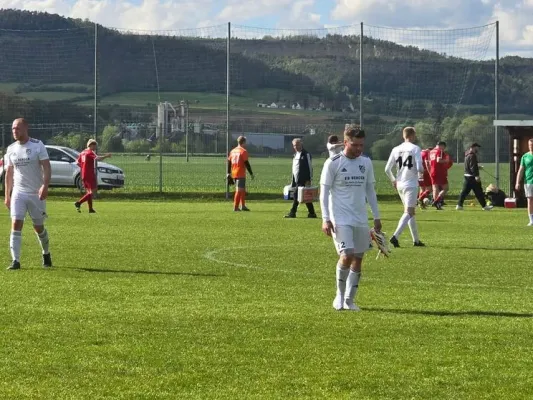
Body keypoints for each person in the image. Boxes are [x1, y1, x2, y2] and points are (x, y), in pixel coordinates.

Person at [320, 125, 382, 311]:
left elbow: (370, 191)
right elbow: (323, 193)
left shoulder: (366, 162)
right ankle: (339, 296)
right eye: (355, 145)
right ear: (345, 142)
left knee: (358, 258)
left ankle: (349, 300)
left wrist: (376, 216)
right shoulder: (333, 163)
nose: (358, 149)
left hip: (360, 219)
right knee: (346, 255)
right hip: (340, 219)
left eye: (361, 145)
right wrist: (325, 218)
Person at [4, 118, 52, 270]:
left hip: (35, 193)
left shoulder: (37, 145)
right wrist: (7, 195)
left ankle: (46, 253)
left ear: (26, 128)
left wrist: (45, 185)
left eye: (17, 128)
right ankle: (15, 261)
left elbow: (46, 167)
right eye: (12, 129)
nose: (14, 131)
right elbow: (9, 173)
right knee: (16, 223)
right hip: (19, 192)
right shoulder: (11, 149)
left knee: (38, 227)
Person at [385, 127, 425, 247]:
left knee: (410, 212)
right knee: (409, 211)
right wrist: (421, 174)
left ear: (404, 136)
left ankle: (416, 240)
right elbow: (419, 167)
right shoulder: (415, 148)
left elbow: (387, 169)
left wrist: (393, 180)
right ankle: (395, 236)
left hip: (400, 184)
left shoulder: (396, 149)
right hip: (411, 184)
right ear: (412, 136)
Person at [74, 139, 111, 213]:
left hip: (84, 174)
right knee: (93, 192)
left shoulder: (83, 152)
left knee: (89, 192)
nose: (95, 146)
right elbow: (98, 158)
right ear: (90, 145)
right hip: (89, 174)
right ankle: (79, 203)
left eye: (95, 145)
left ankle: (90, 209)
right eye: (94, 145)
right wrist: (106, 156)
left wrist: (83, 166)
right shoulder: (90, 152)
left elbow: (77, 162)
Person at [284, 138, 317, 218]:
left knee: (296, 195)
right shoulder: (295, 155)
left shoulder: (306, 154)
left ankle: (292, 213)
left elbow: (309, 167)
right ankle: (312, 213)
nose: (296, 147)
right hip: (296, 179)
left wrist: (309, 179)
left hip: (304, 179)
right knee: (305, 196)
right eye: (294, 145)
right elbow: (294, 168)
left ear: (301, 144)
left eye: (297, 145)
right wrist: (293, 180)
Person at [456, 143, 493, 211]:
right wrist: (476, 176)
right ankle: (484, 206)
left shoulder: (467, 155)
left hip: (467, 176)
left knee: (464, 192)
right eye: (476, 147)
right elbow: (472, 167)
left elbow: (470, 166)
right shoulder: (472, 156)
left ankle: (459, 205)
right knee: (479, 192)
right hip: (472, 177)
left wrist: (478, 167)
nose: (477, 149)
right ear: (472, 147)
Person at [227, 136, 254, 211]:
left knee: (242, 190)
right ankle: (235, 207)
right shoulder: (243, 151)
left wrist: (228, 173)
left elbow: (229, 162)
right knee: (239, 190)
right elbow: (246, 163)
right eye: (245, 142)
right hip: (240, 173)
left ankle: (243, 206)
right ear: (244, 142)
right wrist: (251, 173)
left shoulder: (232, 151)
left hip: (234, 172)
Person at [429, 141, 453, 210]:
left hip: (432, 171)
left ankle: (436, 204)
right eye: (444, 147)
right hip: (439, 172)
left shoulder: (431, 151)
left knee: (435, 188)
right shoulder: (440, 151)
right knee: (446, 188)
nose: (444, 149)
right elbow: (438, 160)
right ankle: (437, 201)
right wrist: (446, 161)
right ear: (442, 146)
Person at [514, 138, 533, 226]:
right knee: (530, 200)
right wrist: (517, 182)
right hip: (528, 182)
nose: (531, 147)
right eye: (530, 145)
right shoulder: (525, 157)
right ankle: (531, 220)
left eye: (532, 145)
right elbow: (521, 170)